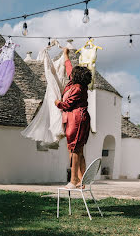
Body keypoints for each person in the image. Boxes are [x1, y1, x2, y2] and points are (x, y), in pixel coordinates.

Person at [54, 47, 92, 189]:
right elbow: (69, 68)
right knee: (77, 150)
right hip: (76, 118)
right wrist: (66, 55)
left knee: (75, 149)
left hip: (77, 119)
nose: (71, 73)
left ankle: (74, 179)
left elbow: (67, 105)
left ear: (77, 77)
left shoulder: (77, 88)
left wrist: (57, 103)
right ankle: (83, 180)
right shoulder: (74, 83)